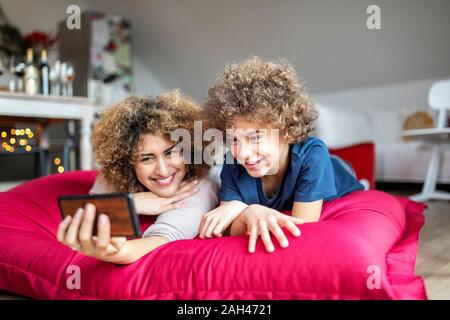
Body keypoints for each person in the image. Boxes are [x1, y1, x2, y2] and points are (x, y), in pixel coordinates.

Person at [199, 57, 365, 253]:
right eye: (234, 140)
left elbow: (301, 227)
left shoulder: (313, 155)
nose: (243, 153)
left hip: (340, 172)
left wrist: (242, 210)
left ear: (287, 132)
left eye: (255, 137)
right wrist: (246, 211)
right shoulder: (232, 162)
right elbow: (227, 224)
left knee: (343, 169)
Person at [57, 90, 219, 264]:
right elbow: (89, 209)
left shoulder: (200, 186)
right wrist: (132, 202)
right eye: (146, 158)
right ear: (128, 163)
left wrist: (117, 252)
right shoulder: (116, 173)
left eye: (171, 152)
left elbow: (162, 237)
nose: (163, 170)